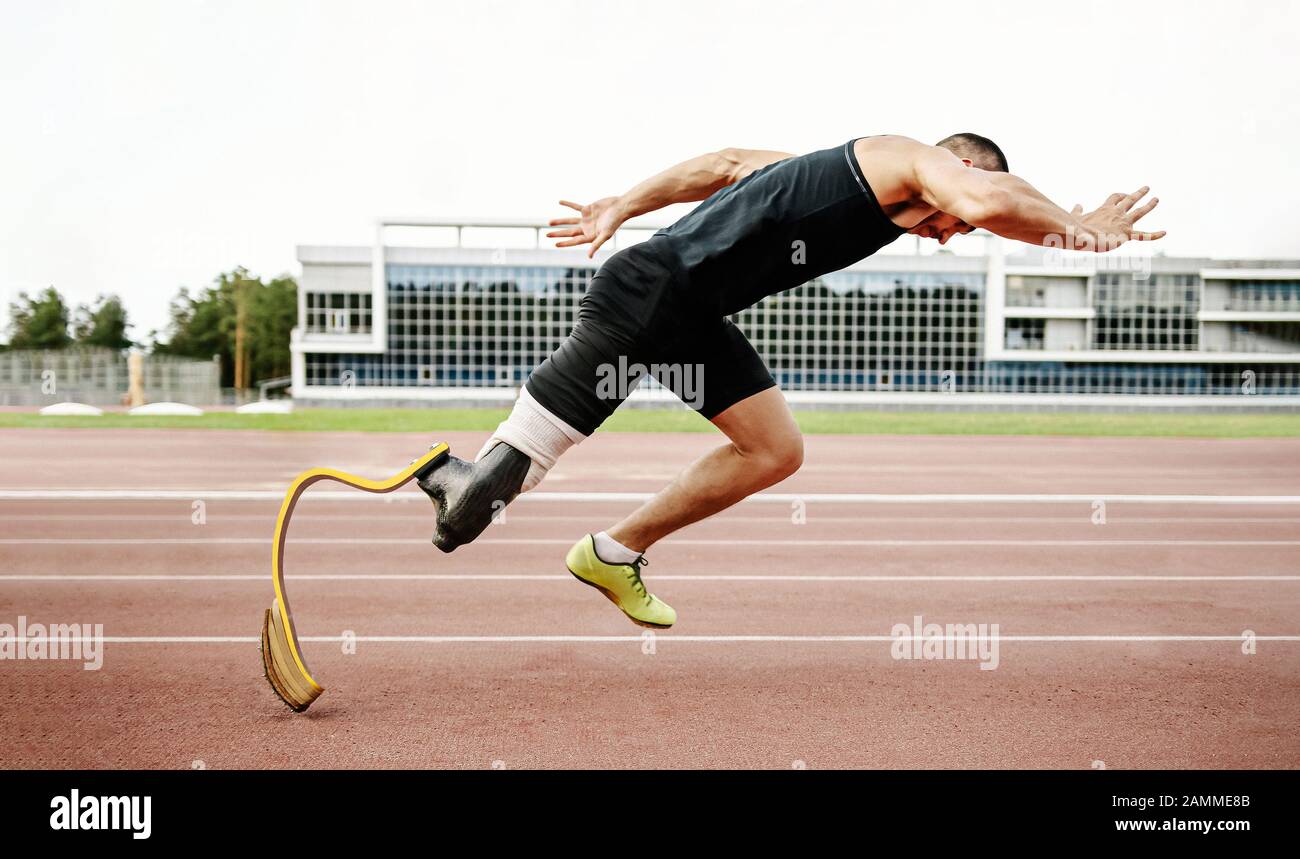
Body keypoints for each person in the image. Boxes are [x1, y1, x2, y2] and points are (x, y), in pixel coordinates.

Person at [415, 133, 1164, 628]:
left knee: (774, 449)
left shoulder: (845, 172)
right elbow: (990, 198)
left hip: (692, 313)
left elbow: (724, 163)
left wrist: (623, 202)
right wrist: (1078, 226)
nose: (952, 234)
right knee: (482, 498)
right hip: (651, 289)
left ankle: (613, 552)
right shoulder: (916, 160)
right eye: (955, 223)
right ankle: (453, 477)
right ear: (957, 166)